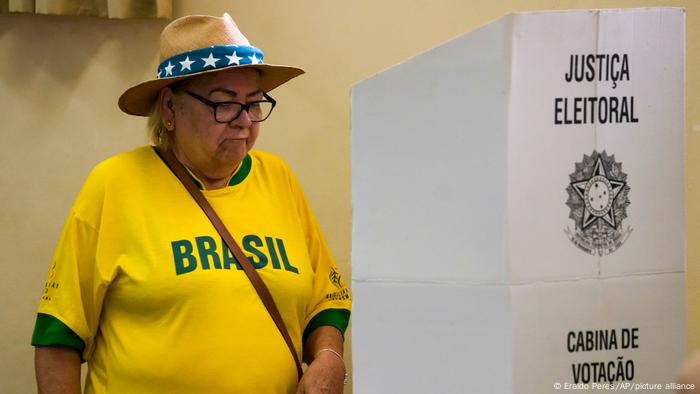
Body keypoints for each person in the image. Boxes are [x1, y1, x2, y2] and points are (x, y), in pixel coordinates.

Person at [31, 13, 351, 394]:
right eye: (225, 104)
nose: (245, 121)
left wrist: (330, 356)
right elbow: (58, 338)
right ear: (169, 109)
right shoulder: (114, 184)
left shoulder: (279, 178)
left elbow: (325, 300)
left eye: (253, 103)